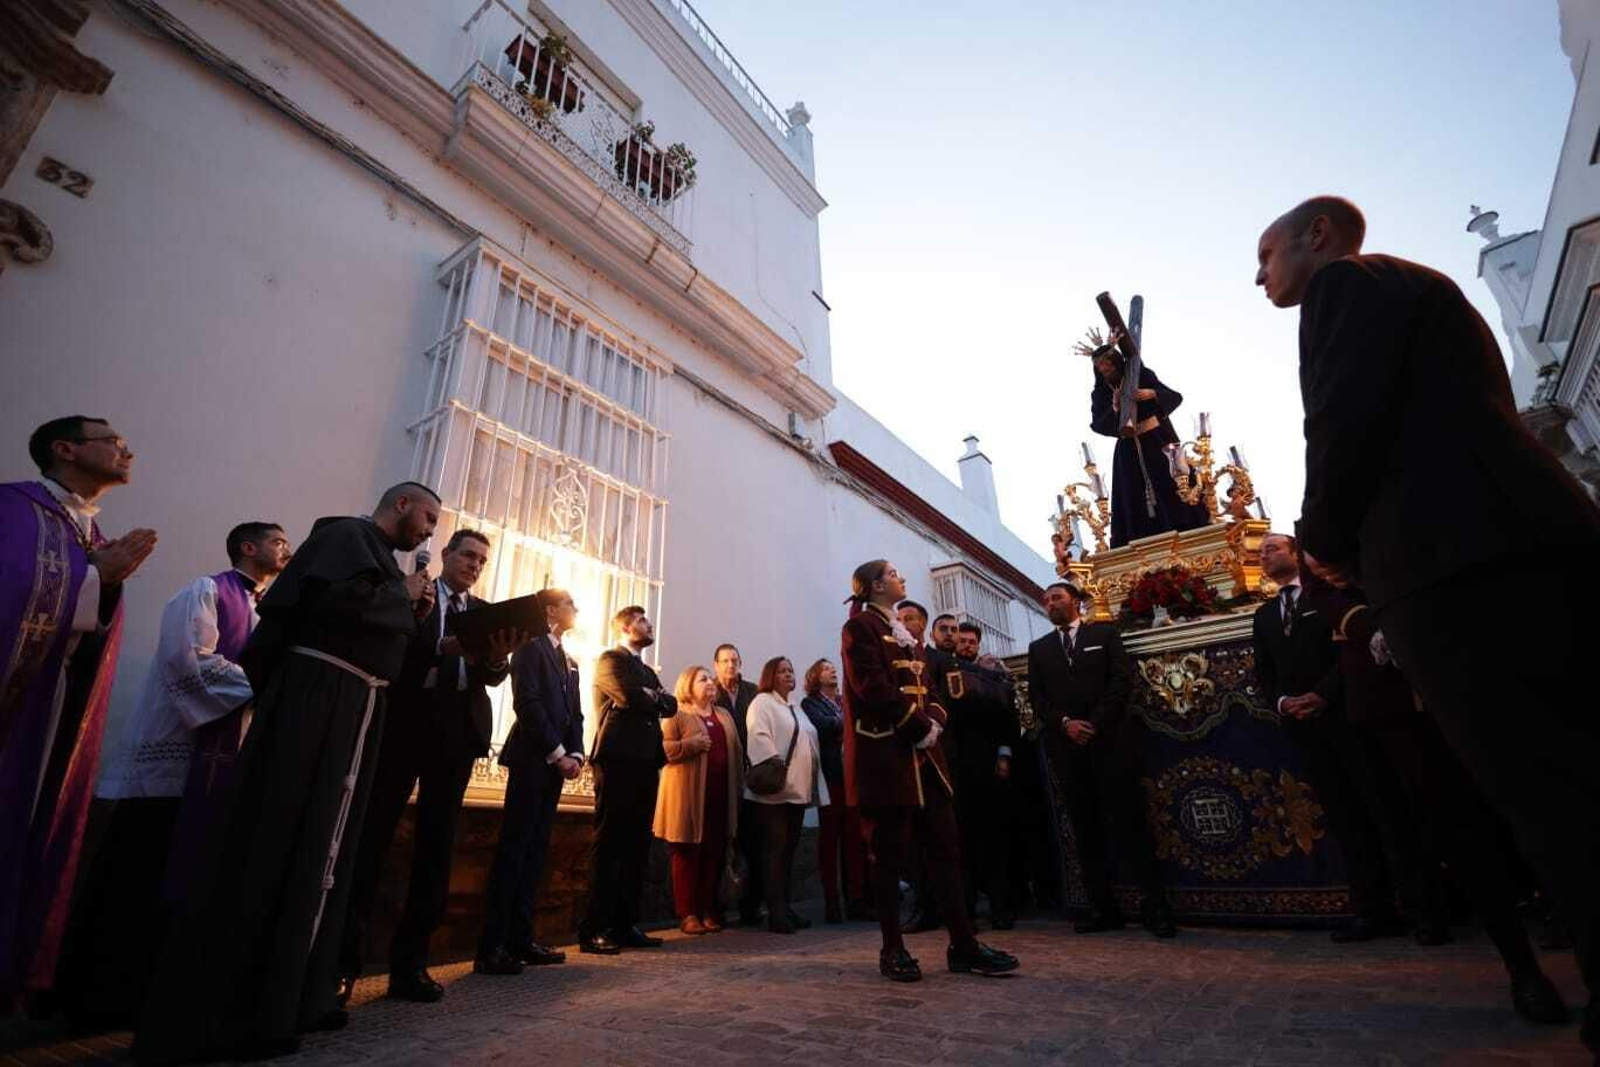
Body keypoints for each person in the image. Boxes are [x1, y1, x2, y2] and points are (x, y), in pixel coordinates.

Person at [1258, 194, 1600, 1051]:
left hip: (1457, 566)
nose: (1258, 277)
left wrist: (1324, 540)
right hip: (1524, 542)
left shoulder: (1349, 287)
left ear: (1320, 236)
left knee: (1542, 784)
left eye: (1265, 256)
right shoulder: (1422, 290)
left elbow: (1340, 422)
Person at [136, 483, 439, 1064]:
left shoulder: (379, 559)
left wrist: (407, 610)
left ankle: (298, 994)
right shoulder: (344, 535)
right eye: (427, 516)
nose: (429, 530)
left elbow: (372, 621)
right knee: (281, 840)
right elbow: (325, 607)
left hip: (356, 706)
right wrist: (399, 597)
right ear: (401, 504)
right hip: (317, 700)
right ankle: (245, 1008)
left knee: (325, 848)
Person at [1298, 568, 1567, 1025]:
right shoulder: (1329, 529)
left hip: (1475, 656)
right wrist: (1374, 625)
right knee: (1450, 823)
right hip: (1393, 694)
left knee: (1534, 805)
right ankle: (1520, 967)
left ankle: (1557, 908)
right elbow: (1324, 583)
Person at [62, 522, 289, 1028]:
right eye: (278, 541)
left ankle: (149, 993)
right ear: (248, 548)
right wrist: (268, 682)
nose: (286, 550)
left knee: (180, 885)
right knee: (135, 878)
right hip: (171, 764)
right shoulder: (205, 591)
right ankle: (93, 999)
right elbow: (189, 664)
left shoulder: (266, 611)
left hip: (221, 766)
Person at [1, 417, 155, 1008]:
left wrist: (103, 583)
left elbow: (87, 617)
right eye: (114, 440)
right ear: (65, 449)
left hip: (56, 698)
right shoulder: (15, 510)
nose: (127, 449)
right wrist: (97, 578)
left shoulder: (85, 528)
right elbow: (13, 590)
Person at [339, 529, 525, 1000]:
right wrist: (438, 651)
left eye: (482, 560)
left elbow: (489, 676)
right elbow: (390, 652)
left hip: (457, 737)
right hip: (405, 728)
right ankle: (342, 966)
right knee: (372, 839)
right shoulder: (412, 594)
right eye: (467, 555)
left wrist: (499, 659)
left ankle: (411, 965)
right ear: (445, 555)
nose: (474, 565)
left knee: (437, 850)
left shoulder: (482, 613)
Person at [842, 559, 1018, 982]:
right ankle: (892, 949)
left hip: (926, 759)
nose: (901, 577)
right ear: (876, 585)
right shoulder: (860, 628)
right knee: (888, 856)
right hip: (888, 756)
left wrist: (935, 721)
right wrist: (919, 727)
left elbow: (933, 689)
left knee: (946, 850)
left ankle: (963, 945)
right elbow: (873, 687)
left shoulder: (910, 637)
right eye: (894, 573)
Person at [1252, 532, 1421, 944]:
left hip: (1347, 716)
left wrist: (1321, 695)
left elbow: (1348, 656)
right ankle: (1371, 910)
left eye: (1273, 548)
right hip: (1305, 728)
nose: (1265, 555)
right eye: (1261, 553)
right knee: (1345, 818)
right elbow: (1264, 671)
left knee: (1383, 807)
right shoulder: (1265, 615)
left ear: (1297, 554)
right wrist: (1283, 701)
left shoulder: (1326, 598)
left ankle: (1418, 907)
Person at [1028, 579, 1174, 939]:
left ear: (1075, 601)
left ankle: (1155, 907)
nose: (1051, 604)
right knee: (1085, 830)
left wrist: (1093, 723)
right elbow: (1038, 699)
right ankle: (1101, 907)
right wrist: (1066, 724)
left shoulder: (1104, 636)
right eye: (1046, 601)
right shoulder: (1040, 648)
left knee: (1130, 824)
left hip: (1109, 743)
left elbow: (1121, 682)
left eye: (1057, 598)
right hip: (1068, 748)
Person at [475, 587, 583, 974]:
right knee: (514, 851)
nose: (576, 610)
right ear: (551, 610)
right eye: (570, 603)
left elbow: (577, 715)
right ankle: (493, 946)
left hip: (556, 765)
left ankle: (522, 939)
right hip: (532, 760)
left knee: (536, 851)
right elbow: (528, 703)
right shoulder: (529, 648)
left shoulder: (569, 661)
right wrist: (557, 753)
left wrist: (577, 753)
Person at [577, 606, 677, 955]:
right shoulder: (610, 660)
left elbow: (672, 704)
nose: (649, 624)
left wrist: (652, 696)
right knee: (610, 843)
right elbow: (630, 696)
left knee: (637, 844)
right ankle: (594, 928)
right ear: (624, 626)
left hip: (647, 761)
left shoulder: (646, 669)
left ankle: (625, 923)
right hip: (617, 759)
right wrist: (651, 696)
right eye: (642, 621)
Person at [1082, 334, 1209, 547]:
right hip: (1127, 448)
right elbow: (1098, 424)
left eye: (1107, 364)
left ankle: (1189, 535)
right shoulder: (1100, 393)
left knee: (1175, 489)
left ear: (1115, 361)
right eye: (1100, 367)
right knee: (1133, 497)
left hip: (1158, 440)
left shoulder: (1138, 373)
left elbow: (1173, 396)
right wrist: (1115, 409)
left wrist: (1150, 393)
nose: (1105, 370)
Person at [654, 665, 742, 935]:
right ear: (688, 685)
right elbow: (662, 749)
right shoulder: (677, 713)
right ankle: (687, 913)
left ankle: (708, 909)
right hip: (688, 797)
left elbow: (736, 751)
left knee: (714, 855)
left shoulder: (724, 714)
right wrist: (690, 746)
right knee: (687, 855)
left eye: (710, 680)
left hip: (720, 795)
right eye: (703, 679)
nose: (710, 683)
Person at [744, 657, 827, 935]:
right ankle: (775, 913)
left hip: (796, 791)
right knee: (774, 853)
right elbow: (759, 736)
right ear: (770, 676)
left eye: (791, 670)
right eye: (782, 671)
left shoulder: (794, 707)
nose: (789, 674)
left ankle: (786, 908)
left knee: (788, 853)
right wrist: (775, 765)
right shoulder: (762, 702)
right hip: (775, 793)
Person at [945, 621, 1019, 930]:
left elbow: (1006, 719)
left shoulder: (991, 676)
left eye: (971, 641)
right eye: (961, 640)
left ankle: (1001, 907)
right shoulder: (943, 675)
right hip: (955, 768)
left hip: (988, 766)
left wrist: (1003, 754)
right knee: (961, 841)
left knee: (993, 839)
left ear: (978, 644)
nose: (965, 645)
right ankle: (967, 911)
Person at [801, 658, 868, 924]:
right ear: (815, 676)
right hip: (830, 778)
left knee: (853, 839)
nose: (833, 671)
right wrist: (847, 725)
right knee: (829, 840)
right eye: (827, 668)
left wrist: (845, 725)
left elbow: (857, 725)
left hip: (852, 776)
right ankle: (832, 902)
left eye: (833, 668)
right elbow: (823, 726)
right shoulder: (810, 703)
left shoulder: (843, 701)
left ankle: (856, 901)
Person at [895, 601, 945, 935]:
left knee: (942, 838)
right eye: (899, 619)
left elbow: (942, 698)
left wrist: (934, 727)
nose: (904, 623)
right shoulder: (893, 657)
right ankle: (923, 906)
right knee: (913, 843)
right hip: (905, 757)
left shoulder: (937, 658)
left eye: (910, 618)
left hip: (937, 754)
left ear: (923, 624)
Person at [712, 643, 762, 926]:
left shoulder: (752, 691)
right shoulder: (708, 690)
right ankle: (716, 906)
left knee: (752, 843)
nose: (731, 665)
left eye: (734, 660)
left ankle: (751, 906)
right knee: (721, 843)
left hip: (750, 777)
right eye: (725, 661)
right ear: (716, 664)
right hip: (721, 776)